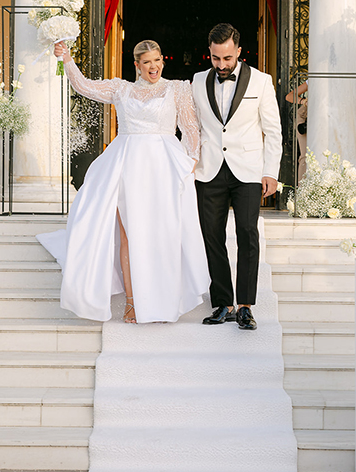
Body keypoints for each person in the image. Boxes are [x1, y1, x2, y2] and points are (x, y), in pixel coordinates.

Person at [37, 40, 209, 324]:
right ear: (137, 65)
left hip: (165, 168)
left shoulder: (177, 88)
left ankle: (164, 301)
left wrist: (189, 163)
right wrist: (66, 59)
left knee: (163, 233)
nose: (153, 66)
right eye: (147, 62)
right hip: (126, 164)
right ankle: (132, 301)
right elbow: (84, 86)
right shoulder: (121, 89)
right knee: (129, 234)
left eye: (157, 60)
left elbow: (190, 128)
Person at [192, 23, 282, 331]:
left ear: (239, 52)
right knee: (212, 236)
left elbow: (273, 131)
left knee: (247, 233)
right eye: (216, 58)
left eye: (227, 58)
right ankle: (223, 304)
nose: (221, 65)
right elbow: (192, 128)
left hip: (248, 170)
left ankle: (245, 306)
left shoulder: (261, 81)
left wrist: (270, 172)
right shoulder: (197, 81)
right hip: (209, 169)